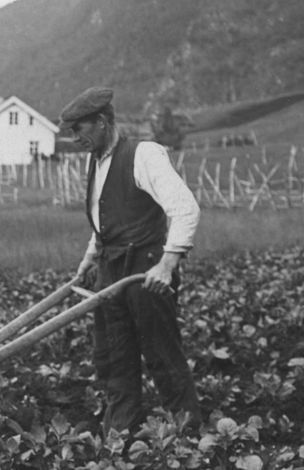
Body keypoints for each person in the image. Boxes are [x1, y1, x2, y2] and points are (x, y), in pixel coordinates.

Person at [62, 88, 202, 435]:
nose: (74, 137)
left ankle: (186, 432)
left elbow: (185, 209)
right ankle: (121, 431)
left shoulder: (144, 155)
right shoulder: (96, 160)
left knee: (161, 353)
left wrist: (167, 265)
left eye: (79, 129)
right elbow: (105, 224)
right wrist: (88, 261)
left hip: (145, 268)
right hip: (110, 270)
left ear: (102, 121)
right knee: (114, 356)